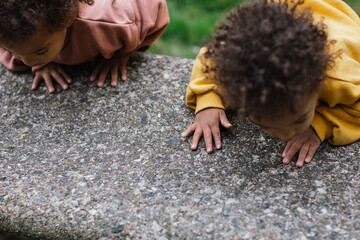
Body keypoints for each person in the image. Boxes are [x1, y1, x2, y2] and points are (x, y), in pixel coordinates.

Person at [182, 0, 360, 167]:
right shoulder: (243, 62)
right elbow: (209, 59)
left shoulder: (339, 78)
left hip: (337, 17)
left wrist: (320, 125)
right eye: (265, 125)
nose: (285, 136)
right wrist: (208, 101)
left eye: (299, 119)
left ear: (318, 87)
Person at [0, 0, 169, 93]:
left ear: (65, 21)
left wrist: (125, 52)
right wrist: (42, 61)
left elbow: (155, 10)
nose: (28, 63)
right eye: (12, 51)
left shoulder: (111, 23)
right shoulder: (9, 26)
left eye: (40, 51)